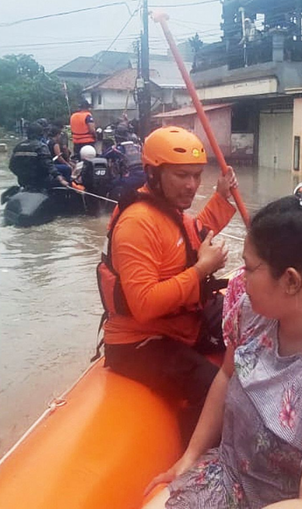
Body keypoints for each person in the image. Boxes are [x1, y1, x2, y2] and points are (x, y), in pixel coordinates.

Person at [144, 182, 302, 509]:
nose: (241, 277)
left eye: (250, 268)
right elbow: (227, 375)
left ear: (291, 281)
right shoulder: (255, 311)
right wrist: (191, 456)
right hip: (241, 472)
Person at [97, 126, 238, 428]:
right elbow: (144, 305)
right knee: (215, 388)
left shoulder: (168, 210)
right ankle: (197, 459)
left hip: (181, 323)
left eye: (197, 175)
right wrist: (201, 270)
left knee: (250, 327)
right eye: (181, 175)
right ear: (153, 174)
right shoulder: (137, 224)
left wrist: (221, 197)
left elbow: (192, 236)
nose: (191, 185)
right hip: (140, 341)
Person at [9, 120, 69, 190]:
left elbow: (12, 166)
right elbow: (49, 165)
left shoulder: (18, 146)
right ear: (40, 134)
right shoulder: (41, 146)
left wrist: (22, 175)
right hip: (41, 181)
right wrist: (60, 179)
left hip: (23, 182)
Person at [102, 123, 146, 199]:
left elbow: (103, 157)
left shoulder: (116, 149)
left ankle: (104, 206)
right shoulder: (139, 147)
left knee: (107, 186)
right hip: (146, 176)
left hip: (128, 178)